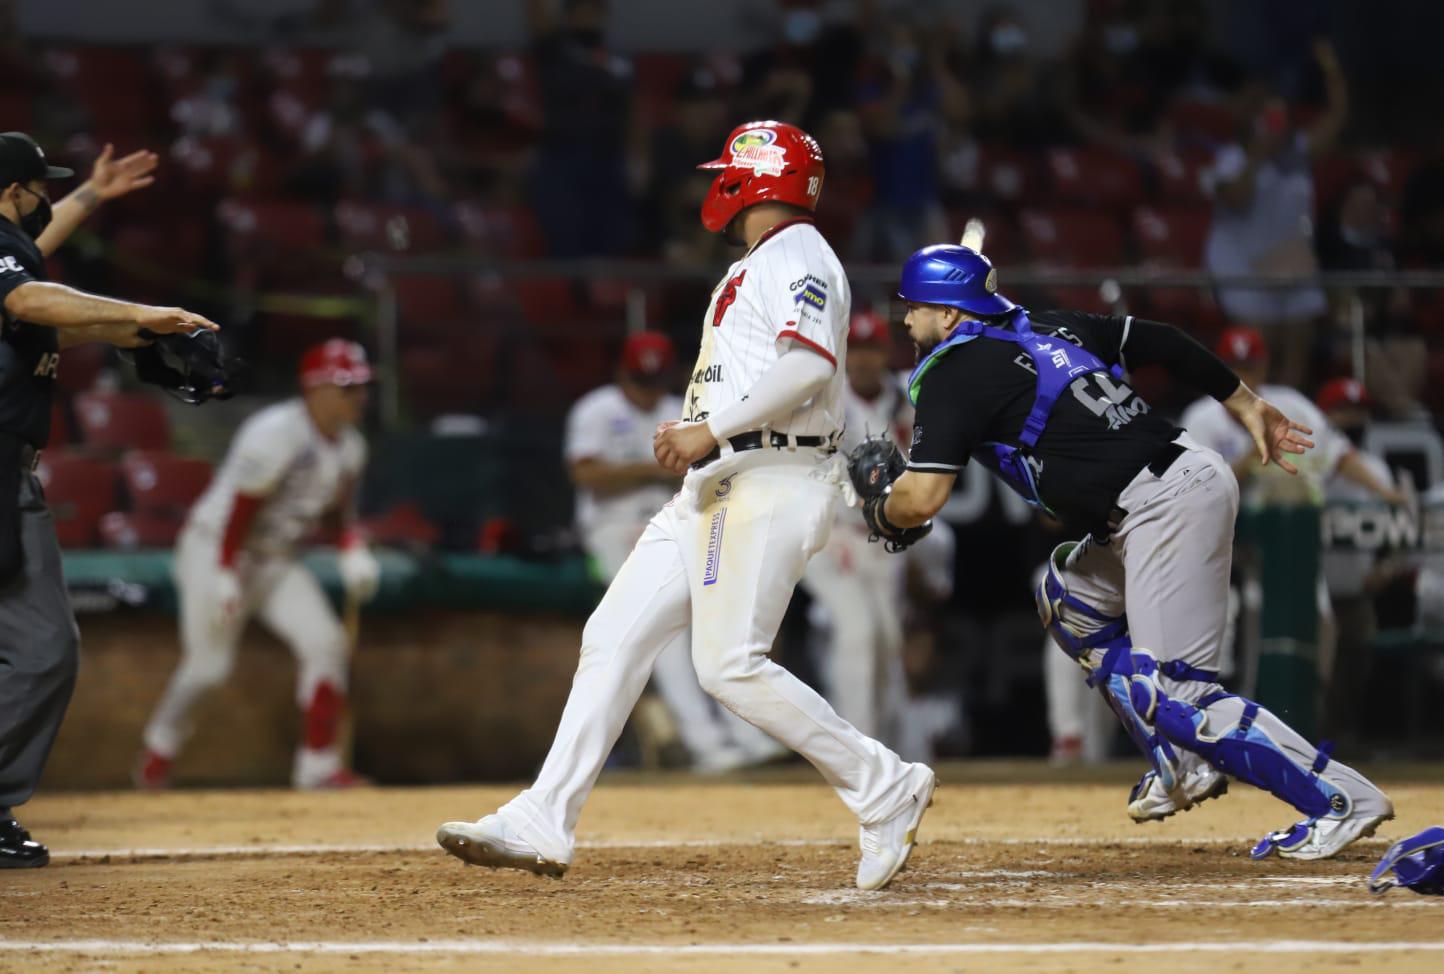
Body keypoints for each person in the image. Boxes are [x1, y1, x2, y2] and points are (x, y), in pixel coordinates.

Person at [438, 121, 935, 892]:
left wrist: (711, 426)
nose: (713, 186)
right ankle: (545, 813)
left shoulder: (799, 252)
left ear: (755, 180)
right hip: (717, 483)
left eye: (725, 172)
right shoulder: (767, 258)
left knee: (729, 666)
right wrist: (708, 436)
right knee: (613, 635)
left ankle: (883, 784)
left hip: (768, 474)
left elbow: (807, 365)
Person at [861, 242, 1392, 860]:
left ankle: (1339, 798)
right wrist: (1245, 402)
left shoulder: (952, 372)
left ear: (951, 314)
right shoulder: (1047, 322)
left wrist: (880, 508)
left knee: (1175, 693)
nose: (907, 320)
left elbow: (921, 499)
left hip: (1163, 503)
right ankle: (1181, 766)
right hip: (1161, 490)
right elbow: (1162, 340)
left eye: (917, 307)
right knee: (1067, 598)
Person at [0, 131, 219, 868]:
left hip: (11, 475)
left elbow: (27, 265)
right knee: (41, 650)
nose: (42, 203)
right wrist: (142, 314)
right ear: (12, 193)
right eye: (37, 189)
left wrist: (91, 196)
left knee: (43, 650)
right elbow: (28, 295)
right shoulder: (5, 260)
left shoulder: (9, 244)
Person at [135, 340, 380, 791]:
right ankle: (158, 751)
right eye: (348, 387)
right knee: (209, 667)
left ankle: (318, 766)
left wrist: (350, 545)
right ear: (316, 389)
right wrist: (226, 574)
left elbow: (336, 514)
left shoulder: (351, 448)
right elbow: (241, 511)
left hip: (275, 558)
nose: (358, 397)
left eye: (361, 387)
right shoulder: (275, 431)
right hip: (216, 548)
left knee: (326, 643)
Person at [565, 330, 780, 771]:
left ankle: (743, 733)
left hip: (677, 519)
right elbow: (586, 474)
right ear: (622, 371)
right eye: (639, 379)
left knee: (716, 619)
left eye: (656, 380)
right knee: (667, 633)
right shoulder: (597, 409)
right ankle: (705, 744)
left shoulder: (679, 409)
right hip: (613, 529)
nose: (648, 390)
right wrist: (652, 469)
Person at [1201, 40, 1347, 387]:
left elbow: (1337, 115)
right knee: (1259, 347)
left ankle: (1288, 426)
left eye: (1282, 117)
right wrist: (1259, 153)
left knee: (1299, 341)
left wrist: (1331, 69)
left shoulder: (1298, 153)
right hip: (1242, 263)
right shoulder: (1231, 161)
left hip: (1290, 260)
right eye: (1269, 118)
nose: (1277, 124)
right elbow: (1237, 197)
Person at [801, 310, 913, 744]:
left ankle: (880, 745)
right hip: (831, 532)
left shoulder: (906, 397)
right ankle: (857, 748)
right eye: (858, 350)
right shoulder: (823, 399)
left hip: (882, 536)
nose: (865, 360)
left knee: (887, 640)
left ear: (886, 352)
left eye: (873, 349)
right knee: (857, 630)